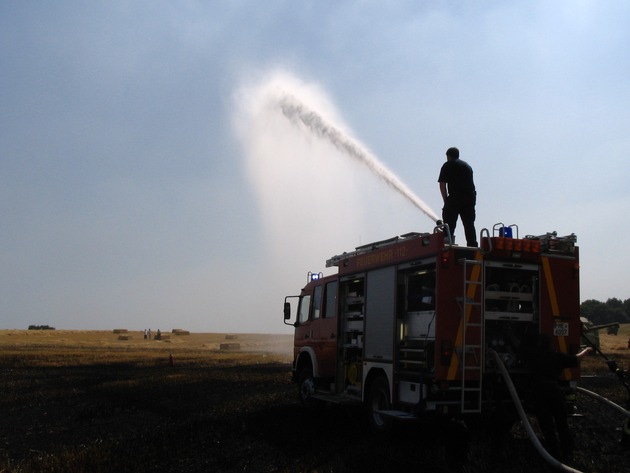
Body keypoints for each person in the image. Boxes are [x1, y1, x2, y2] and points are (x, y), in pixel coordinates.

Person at [517, 333, 592, 461]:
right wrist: (586, 350)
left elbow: (519, 347)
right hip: (555, 392)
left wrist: (510, 335)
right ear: (551, 345)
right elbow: (576, 359)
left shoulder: (534, 355)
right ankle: (567, 453)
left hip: (539, 392)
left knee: (547, 426)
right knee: (562, 422)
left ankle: (554, 454)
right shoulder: (557, 357)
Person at [437, 147, 478, 247]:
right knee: (469, 225)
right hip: (469, 198)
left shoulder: (447, 165)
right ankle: (473, 246)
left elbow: (442, 184)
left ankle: (446, 245)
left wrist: (446, 201)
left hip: (455, 197)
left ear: (448, 156)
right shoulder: (467, 166)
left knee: (449, 225)